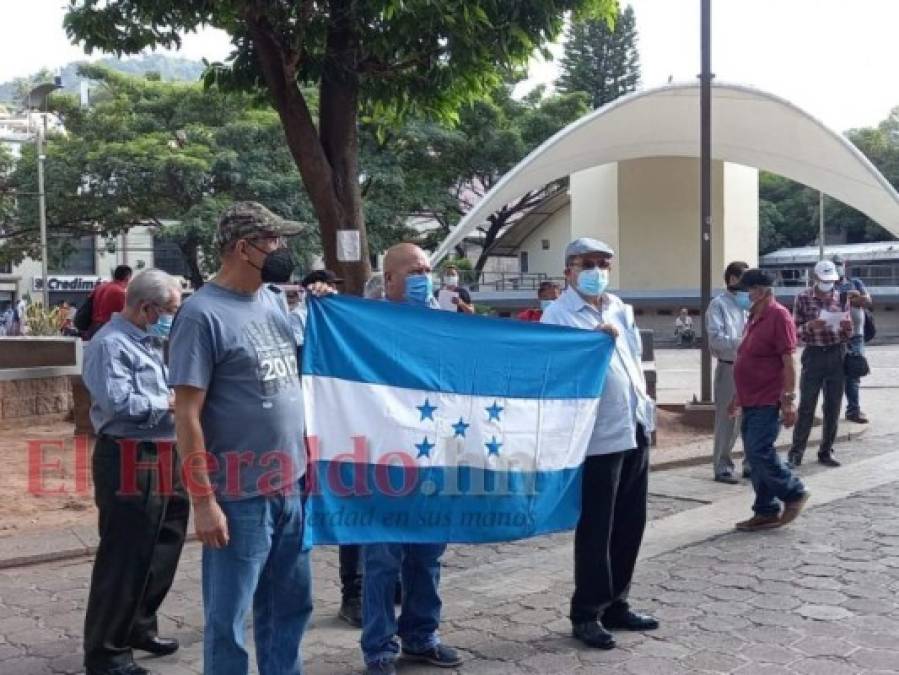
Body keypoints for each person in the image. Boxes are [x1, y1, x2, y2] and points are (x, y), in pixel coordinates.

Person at [168, 202, 320, 675]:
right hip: (238, 496)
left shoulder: (273, 301)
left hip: (289, 485)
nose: (282, 251)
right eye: (273, 241)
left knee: (290, 606)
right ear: (243, 248)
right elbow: (186, 414)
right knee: (229, 620)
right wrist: (203, 501)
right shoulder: (201, 315)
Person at [541, 237, 658, 651]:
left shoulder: (619, 308)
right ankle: (587, 610)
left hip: (633, 426)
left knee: (631, 521)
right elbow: (555, 372)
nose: (597, 271)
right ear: (569, 271)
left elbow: (632, 362)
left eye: (604, 263)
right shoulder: (558, 316)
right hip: (596, 438)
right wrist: (591, 342)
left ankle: (617, 602)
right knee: (597, 527)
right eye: (587, 263)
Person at [81, 269, 188, 675]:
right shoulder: (110, 346)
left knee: (165, 541)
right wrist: (169, 403)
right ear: (147, 308)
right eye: (170, 311)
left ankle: (140, 625)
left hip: (164, 451)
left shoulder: (151, 341)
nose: (172, 318)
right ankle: (106, 652)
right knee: (125, 554)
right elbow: (118, 403)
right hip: (128, 454)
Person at [362, 243, 461, 675]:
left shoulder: (445, 324)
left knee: (427, 555)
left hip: (434, 458)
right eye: (415, 270)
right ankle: (379, 647)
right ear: (389, 280)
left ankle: (421, 636)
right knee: (383, 560)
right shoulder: (365, 325)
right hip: (382, 461)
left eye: (427, 269)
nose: (425, 277)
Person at [730, 269, 809, 531]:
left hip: (767, 398)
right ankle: (765, 510)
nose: (742, 294)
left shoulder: (779, 316)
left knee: (759, 451)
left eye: (746, 289)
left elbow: (788, 361)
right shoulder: (753, 316)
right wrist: (737, 397)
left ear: (761, 291)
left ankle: (793, 491)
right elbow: (746, 359)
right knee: (754, 454)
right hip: (750, 398)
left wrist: (788, 400)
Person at [788, 259, 853, 469]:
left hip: (837, 353)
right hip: (814, 354)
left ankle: (826, 451)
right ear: (815, 278)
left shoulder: (842, 297)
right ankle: (796, 453)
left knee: (833, 406)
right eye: (824, 280)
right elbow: (794, 331)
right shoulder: (803, 298)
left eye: (831, 280)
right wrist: (810, 326)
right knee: (807, 405)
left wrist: (847, 327)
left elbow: (847, 333)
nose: (828, 285)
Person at [706, 261, 751, 484]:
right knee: (728, 419)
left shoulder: (750, 304)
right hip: (730, 367)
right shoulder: (718, 305)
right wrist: (744, 343)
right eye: (744, 278)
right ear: (732, 279)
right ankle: (722, 466)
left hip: (753, 368)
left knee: (751, 418)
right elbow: (716, 339)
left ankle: (751, 464)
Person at [833, 254, 872, 423]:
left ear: (845, 265)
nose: (837, 267)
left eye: (839, 264)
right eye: (834, 264)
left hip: (856, 337)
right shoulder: (827, 285)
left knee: (853, 374)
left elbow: (867, 301)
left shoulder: (855, 282)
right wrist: (849, 297)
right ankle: (831, 411)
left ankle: (853, 411)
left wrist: (853, 296)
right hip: (835, 338)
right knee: (833, 376)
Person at [87, 265, 133, 339]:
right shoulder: (120, 292)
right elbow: (125, 314)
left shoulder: (100, 287)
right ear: (127, 277)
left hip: (93, 327)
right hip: (108, 329)